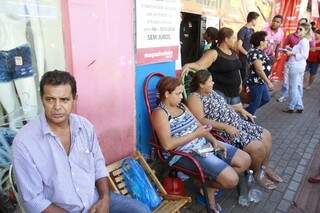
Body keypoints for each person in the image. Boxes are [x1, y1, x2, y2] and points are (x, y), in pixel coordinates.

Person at [12, 70, 150, 213]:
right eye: (50, 99)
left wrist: (104, 199)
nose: (57, 106)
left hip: (94, 200)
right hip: (58, 210)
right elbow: (33, 201)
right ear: (42, 100)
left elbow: (98, 165)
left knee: (141, 210)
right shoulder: (24, 142)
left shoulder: (84, 127)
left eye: (64, 99)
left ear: (74, 99)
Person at [151, 77, 251, 212]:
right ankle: (207, 185)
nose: (182, 97)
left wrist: (214, 141)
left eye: (182, 93)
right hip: (184, 154)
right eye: (178, 93)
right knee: (232, 180)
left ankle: (208, 183)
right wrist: (195, 135)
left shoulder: (182, 106)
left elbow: (200, 127)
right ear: (167, 94)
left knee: (245, 160)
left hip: (203, 145)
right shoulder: (160, 113)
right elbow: (167, 145)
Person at [187, 70, 282, 189]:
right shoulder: (194, 97)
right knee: (258, 148)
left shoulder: (210, 92)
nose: (213, 83)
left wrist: (239, 109)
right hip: (224, 130)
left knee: (266, 135)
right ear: (201, 84)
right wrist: (225, 127)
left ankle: (265, 168)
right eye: (210, 81)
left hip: (237, 123)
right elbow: (200, 120)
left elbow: (223, 106)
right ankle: (257, 173)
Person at [182, 27, 252, 119]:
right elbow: (200, 65)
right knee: (224, 118)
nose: (235, 41)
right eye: (233, 38)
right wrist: (188, 65)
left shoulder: (233, 53)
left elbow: (237, 69)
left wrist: (240, 83)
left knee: (238, 117)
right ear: (226, 39)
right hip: (220, 92)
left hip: (234, 91)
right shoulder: (214, 53)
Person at [0, 0, 45, 129]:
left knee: (30, 111)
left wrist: (43, 75)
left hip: (20, 53)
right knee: (11, 113)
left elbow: (38, 34)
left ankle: (33, 146)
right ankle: (15, 147)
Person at [277, 18, 309, 102]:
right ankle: (286, 96)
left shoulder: (305, 40)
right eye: (299, 25)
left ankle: (297, 101)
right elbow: (285, 46)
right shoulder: (291, 36)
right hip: (289, 61)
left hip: (299, 64)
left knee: (297, 83)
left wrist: (293, 53)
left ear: (306, 29)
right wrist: (288, 49)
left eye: (302, 27)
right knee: (286, 80)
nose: (299, 28)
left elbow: (306, 53)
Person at [283, 23, 311, 113]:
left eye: (301, 29)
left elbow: (304, 55)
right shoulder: (302, 40)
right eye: (298, 28)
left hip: (296, 65)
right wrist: (290, 50)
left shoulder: (304, 41)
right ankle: (299, 106)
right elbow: (300, 52)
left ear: (306, 31)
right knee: (295, 86)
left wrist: (291, 53)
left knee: (293, 87)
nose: (298, 30)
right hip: (297, 65)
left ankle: (292, 106)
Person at [246, 31, 273, 115]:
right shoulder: (255, 52)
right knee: (256, 102)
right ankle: (248, 118)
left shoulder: (259, 51)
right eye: (266, 40)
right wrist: (269, 82)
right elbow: (259, 70)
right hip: (256, 82)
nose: (267, 42)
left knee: (266, 98)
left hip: (261, 81)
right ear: (261, 42)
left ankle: (246, 112)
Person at [237, 11, 260, 81]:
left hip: (251, 58)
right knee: (244, 76)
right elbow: (239, 46)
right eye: (257, 20)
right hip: (244, 59)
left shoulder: (252, 30)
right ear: (253, 19)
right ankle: (242, 91)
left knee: (250, 76)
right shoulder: (242, 30)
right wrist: (248, 54)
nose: (257, 22)